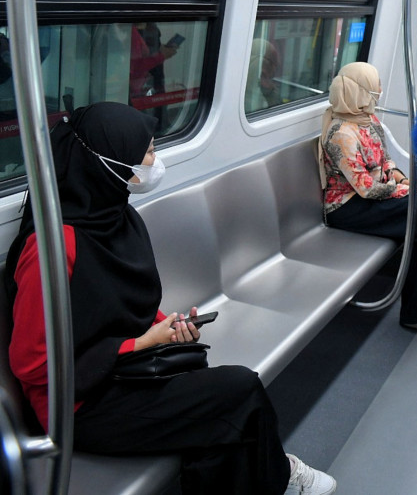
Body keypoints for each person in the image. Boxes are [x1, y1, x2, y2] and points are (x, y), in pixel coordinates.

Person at [5, 103, 335, 495]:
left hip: (121, 372)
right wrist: (142, 344)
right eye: (146, 153)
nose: (154, 161)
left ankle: (271, 474)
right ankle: (279, 475)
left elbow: (128, 304)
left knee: (217, 404)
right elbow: (31, 364)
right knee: (239, 390)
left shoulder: (119, 218)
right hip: (76, 405)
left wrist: (167, 325)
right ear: (108, 163)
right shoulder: (53, 247)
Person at [318, 62, 417, 334]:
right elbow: (365, 189)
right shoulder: (341, 134)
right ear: (358, 92)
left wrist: (405, 180)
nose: (380, 91)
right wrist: (404, 191)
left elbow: (385, 163)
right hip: (347, 208)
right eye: (374, 87)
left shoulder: (369, 121)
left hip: (369, 199)